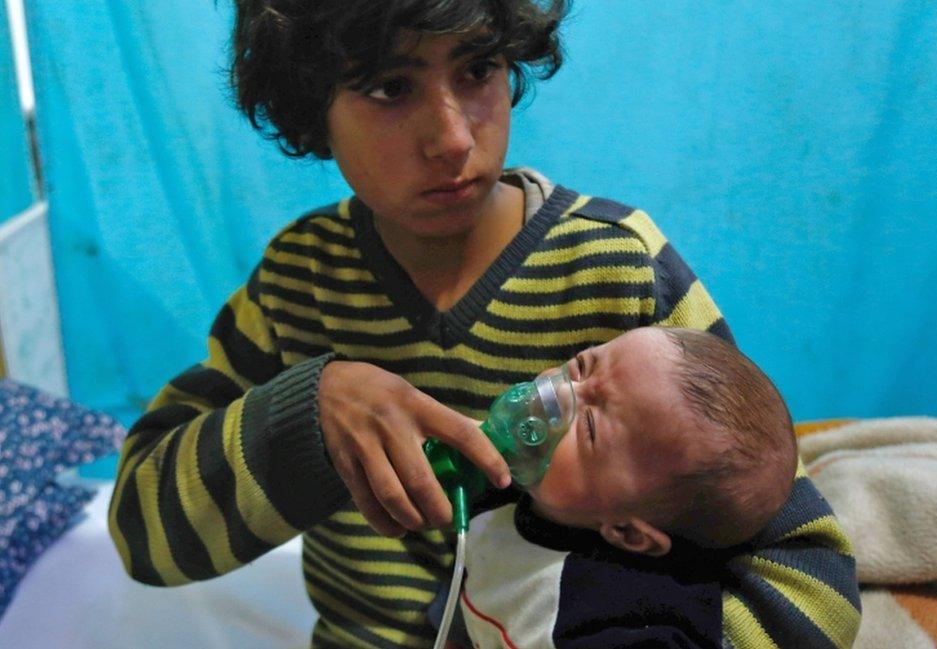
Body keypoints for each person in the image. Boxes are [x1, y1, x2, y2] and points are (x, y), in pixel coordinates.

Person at [108, 2, 860, 647]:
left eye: (475, 70)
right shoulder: (296, 285)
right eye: (389, 87)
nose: (453, 139)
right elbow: (142, 536)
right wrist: (308, 414)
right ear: (311, 105)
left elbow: (804, 568)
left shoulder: (619, 269)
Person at [459, 327, 799, 648]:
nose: (559, 392)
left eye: (589, 428)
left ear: (628, 533)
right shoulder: (500, 485)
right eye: (581, 366)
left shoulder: (628, 620)